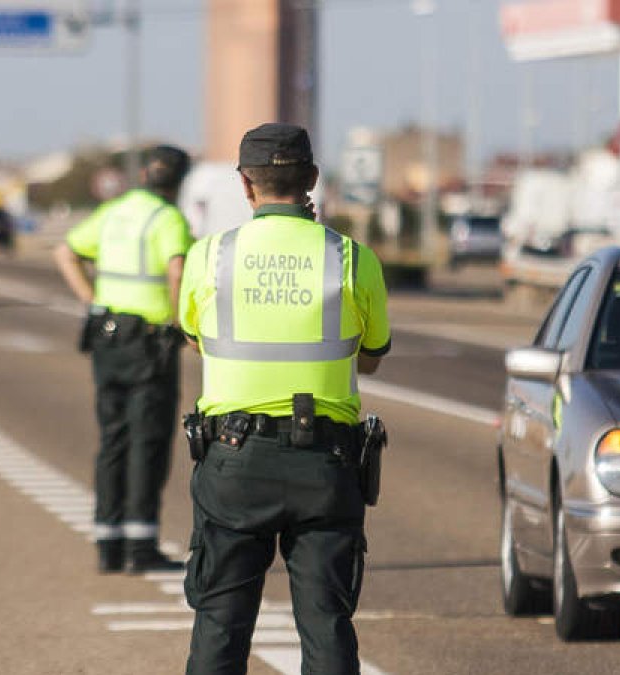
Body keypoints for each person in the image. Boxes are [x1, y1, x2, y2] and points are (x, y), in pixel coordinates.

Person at [178, 123, 391, 674]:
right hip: (325, 462)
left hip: (233, 459)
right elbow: (370, 356)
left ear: (245, 185)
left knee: (220, 623)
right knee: (326, 625)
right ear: (313, 180)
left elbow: (195, 338)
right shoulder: (351, 258)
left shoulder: (210, 255)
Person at [53, 145, 194, 574]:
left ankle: (108, 543)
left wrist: (92, 301)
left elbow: (65, 252)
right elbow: (176, 271)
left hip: (108, 335)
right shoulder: (168, 218)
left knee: (113, 438)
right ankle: (141, 545)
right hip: (150, 342)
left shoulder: (114, 211)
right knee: (146, 441)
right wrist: (179, 320)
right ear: (178, 181)